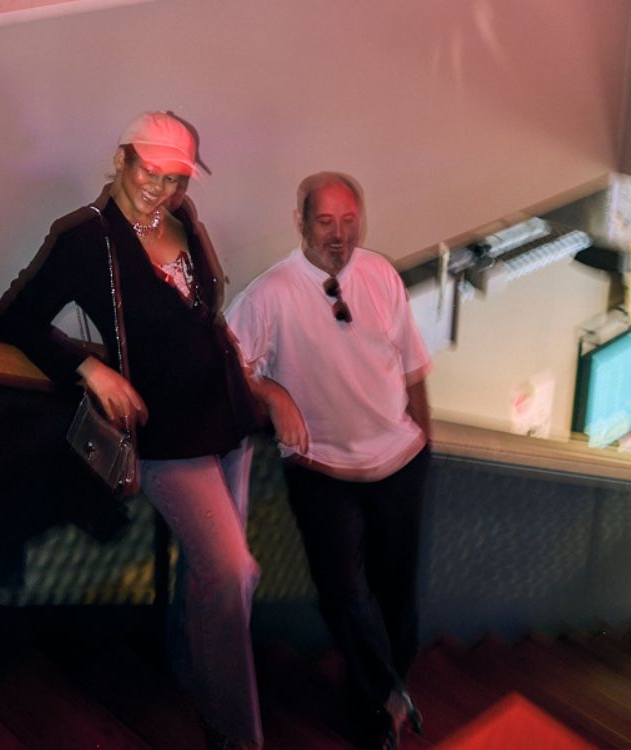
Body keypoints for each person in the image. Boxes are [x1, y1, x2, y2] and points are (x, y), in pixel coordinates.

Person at [0, 112, 263, 750]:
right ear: (120, 159)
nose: (161, 188)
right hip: (167, 434)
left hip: (227, 416)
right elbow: (15, 317)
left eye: (175, 178)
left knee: (211, 573)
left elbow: (201, 319)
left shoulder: (184, 223)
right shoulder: (85, 238)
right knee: (232, 573)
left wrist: (253, 385)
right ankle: (234, 731)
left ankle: (191, 669)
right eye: (149, 169)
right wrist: (90, 369)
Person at [225, 172, 432, 750]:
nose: (340, 235)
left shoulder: (382, 274)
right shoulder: (269, 295)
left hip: (400, 460)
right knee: (341, 591)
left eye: (349, 220)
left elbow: (413, 366)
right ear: (300, 221)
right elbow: (226, 365)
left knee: (397, 593)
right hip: (320, 469)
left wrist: (425, 443)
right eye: (326, 222)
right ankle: (389, 693)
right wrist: (273, 394)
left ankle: (381, 712)